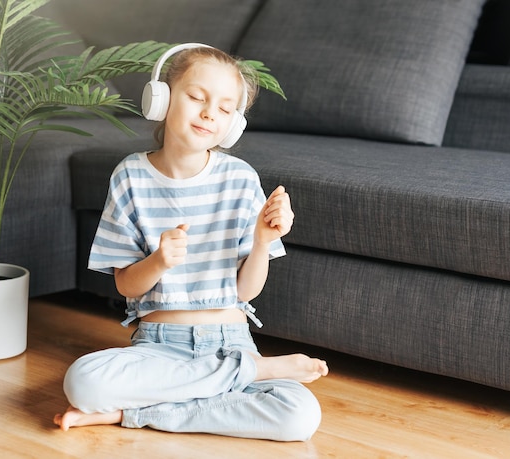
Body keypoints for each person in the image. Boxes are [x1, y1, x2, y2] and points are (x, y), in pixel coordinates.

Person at [53, 44, 328, 441]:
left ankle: (129, 414)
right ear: (161, 99)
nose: (208, 113)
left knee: (299, 415)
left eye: (224, 107)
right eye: (197, 97)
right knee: (83, 382)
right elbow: (126, 286)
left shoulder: (241, 179)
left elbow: (244, 291)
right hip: (160, 347)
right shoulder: (130, 177)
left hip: (232, 341)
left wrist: (262, 240)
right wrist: (159, 261)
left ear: (234, 123)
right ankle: (256, 371)